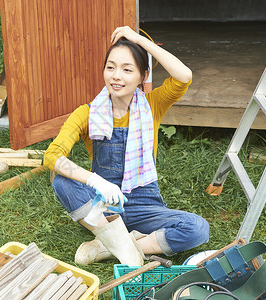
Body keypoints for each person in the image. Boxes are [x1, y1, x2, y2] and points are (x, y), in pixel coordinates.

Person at [43, 26, 209, 266]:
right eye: (110, 67)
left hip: (145, 205)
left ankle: (109, 246)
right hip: (104, 205)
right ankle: (122, 243)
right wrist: (96, 181)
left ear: (142, 76)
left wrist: (138, 39)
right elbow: (52, 155)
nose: (116, 76)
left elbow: (184, 76)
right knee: (61, 181)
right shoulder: (88, 114)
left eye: (127, 69)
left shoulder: (152, 105)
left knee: (197, 228)